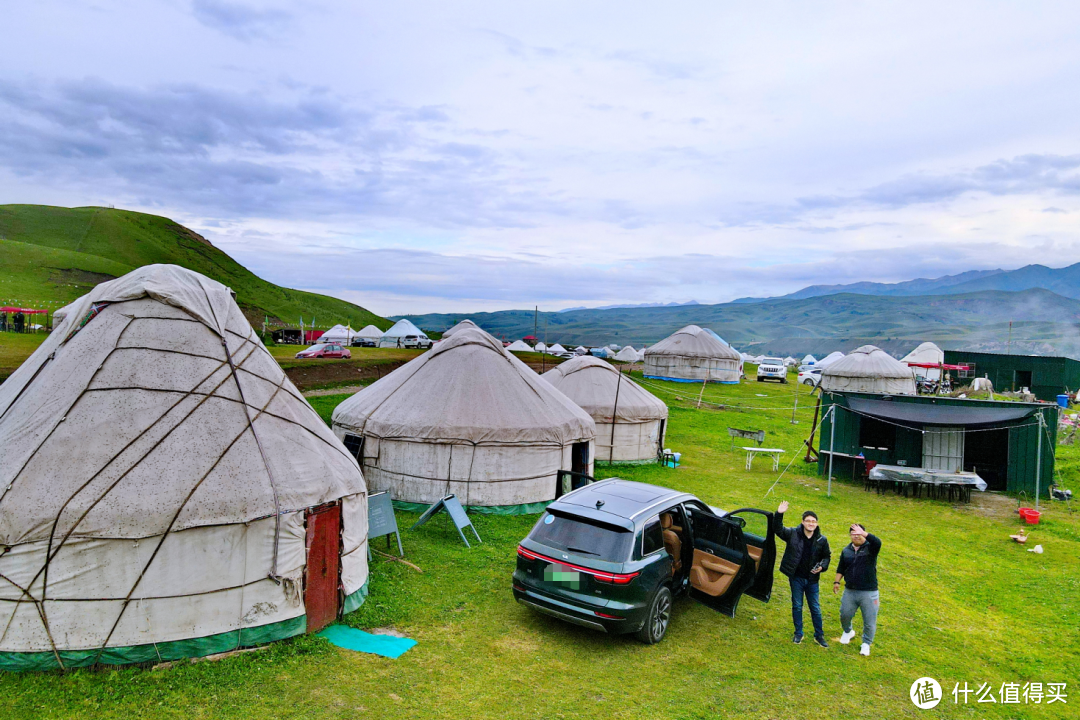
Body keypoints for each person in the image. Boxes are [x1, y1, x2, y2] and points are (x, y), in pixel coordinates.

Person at [774, 500, 831, 647]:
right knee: (797, 606)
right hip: (796, 578)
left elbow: (827, 556)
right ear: (803, 522)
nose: (811, 524)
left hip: (812, 580)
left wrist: (822, 567)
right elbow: (778, 529)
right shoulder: (793, 534)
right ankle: (798, 634)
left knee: (815, 608)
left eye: (814, 521)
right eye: (808, 521)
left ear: (817, 524)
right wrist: (779, 514)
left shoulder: (822, 540)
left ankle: (819, 636)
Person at [834, 523, 882, 656]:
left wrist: (865, 534)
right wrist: (837, 581)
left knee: (869, 620)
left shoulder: (871, 548)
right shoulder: (846, 550)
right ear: (850, 536)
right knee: (844, 614)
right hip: (850, 591)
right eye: (853, 534)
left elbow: (878, 542)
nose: (856, 536)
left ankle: (866, 643)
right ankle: (848, 631)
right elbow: (841, 567)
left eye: (859, 533)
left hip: (869, 592)